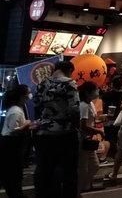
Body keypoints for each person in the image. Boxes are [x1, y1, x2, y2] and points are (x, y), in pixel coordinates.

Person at [33, 60, 80, 198]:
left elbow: (36, 103)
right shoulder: (69, 83)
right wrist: (76, 125)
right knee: (69, 171)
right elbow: (74, 109)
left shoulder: (42, 83)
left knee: (45, 168)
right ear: (69, 70)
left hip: (44, 131)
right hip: (64, 131)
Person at [1, 84, 35, 198]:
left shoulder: (18, 109)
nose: (30, 94)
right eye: (28, 92)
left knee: (15, 172)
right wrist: (25, 124)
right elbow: (12, 131)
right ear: (22, 96)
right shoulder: (16, 111)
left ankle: (17, 193)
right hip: (11, 144)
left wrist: (28, 126)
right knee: (13, 172)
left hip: (14, 144)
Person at [78, 82, 103, 195]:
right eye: (96, 89)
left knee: (94, 165)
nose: (97, 91)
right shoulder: (83, 105)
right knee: (83, 168)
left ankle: (85, 186)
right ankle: (78, 190)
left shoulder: (91, 104)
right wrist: (97, 131)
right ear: (88, 92)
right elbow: (83, 125)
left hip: (89, 139)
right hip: (82, 139)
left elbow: (91, 120)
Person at [101, 75, 122, 160]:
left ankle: (105, 155)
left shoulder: (107, 94)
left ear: (112, 84)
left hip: (108, 119)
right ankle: (118, 154)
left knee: (108, 137)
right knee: (118, 137)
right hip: (121, 119)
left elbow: (102, 106)